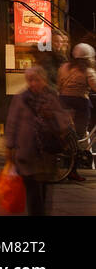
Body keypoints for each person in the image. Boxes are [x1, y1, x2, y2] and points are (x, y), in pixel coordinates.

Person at [6, 65, 72, 215]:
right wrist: (9, 147)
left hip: (47, 152)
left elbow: (63, 120)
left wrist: (52, 117)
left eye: (36, 80)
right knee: (33, 189)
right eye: (30, 80)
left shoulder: (52, 96)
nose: (33, 83)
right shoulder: (21, 98)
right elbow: (12, 123)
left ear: (44, 80)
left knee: (44, 189)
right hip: (27, 151)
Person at [57, 43, 96, 181]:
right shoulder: (88, 71)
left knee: (69, 137)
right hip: (80, 105)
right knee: (79, 137)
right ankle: (72, 171)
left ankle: (69, 167)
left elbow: (59, 85)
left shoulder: (64, 68)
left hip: (63, 103)